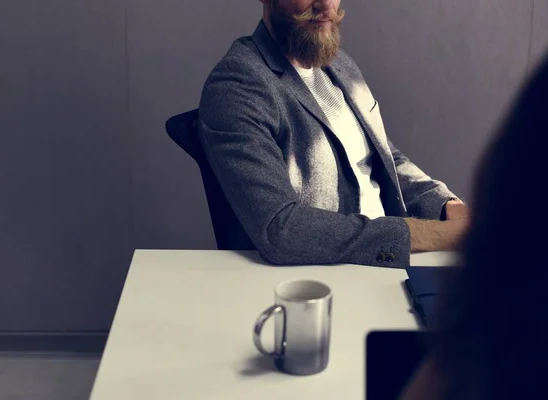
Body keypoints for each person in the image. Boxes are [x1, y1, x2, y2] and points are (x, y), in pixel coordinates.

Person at [198, 0, 469, 267]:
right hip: (331, 280)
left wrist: (446, 205)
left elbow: (384, 157)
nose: (326, 5)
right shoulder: (238, 84)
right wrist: (435, 234)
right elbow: (280, 229)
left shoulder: (338, 63)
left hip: (394, 264)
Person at [399, 52, 548, 399]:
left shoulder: (343, 68)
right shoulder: (247, 76)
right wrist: (452, 233)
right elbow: (282, 226)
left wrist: (446, 204)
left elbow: (391, 160)